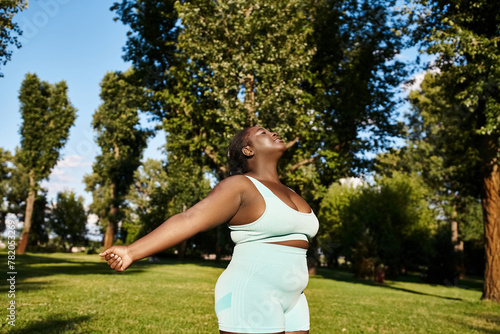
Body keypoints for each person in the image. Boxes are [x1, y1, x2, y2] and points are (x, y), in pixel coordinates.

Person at [99, 126, 319, 334]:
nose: (274, 132)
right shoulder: (239, 185)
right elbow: (189, 219)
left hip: (294, 297)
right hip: (253, 292)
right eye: (263, 132)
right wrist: (131, 252)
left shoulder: (291, 191)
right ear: (248, 150)